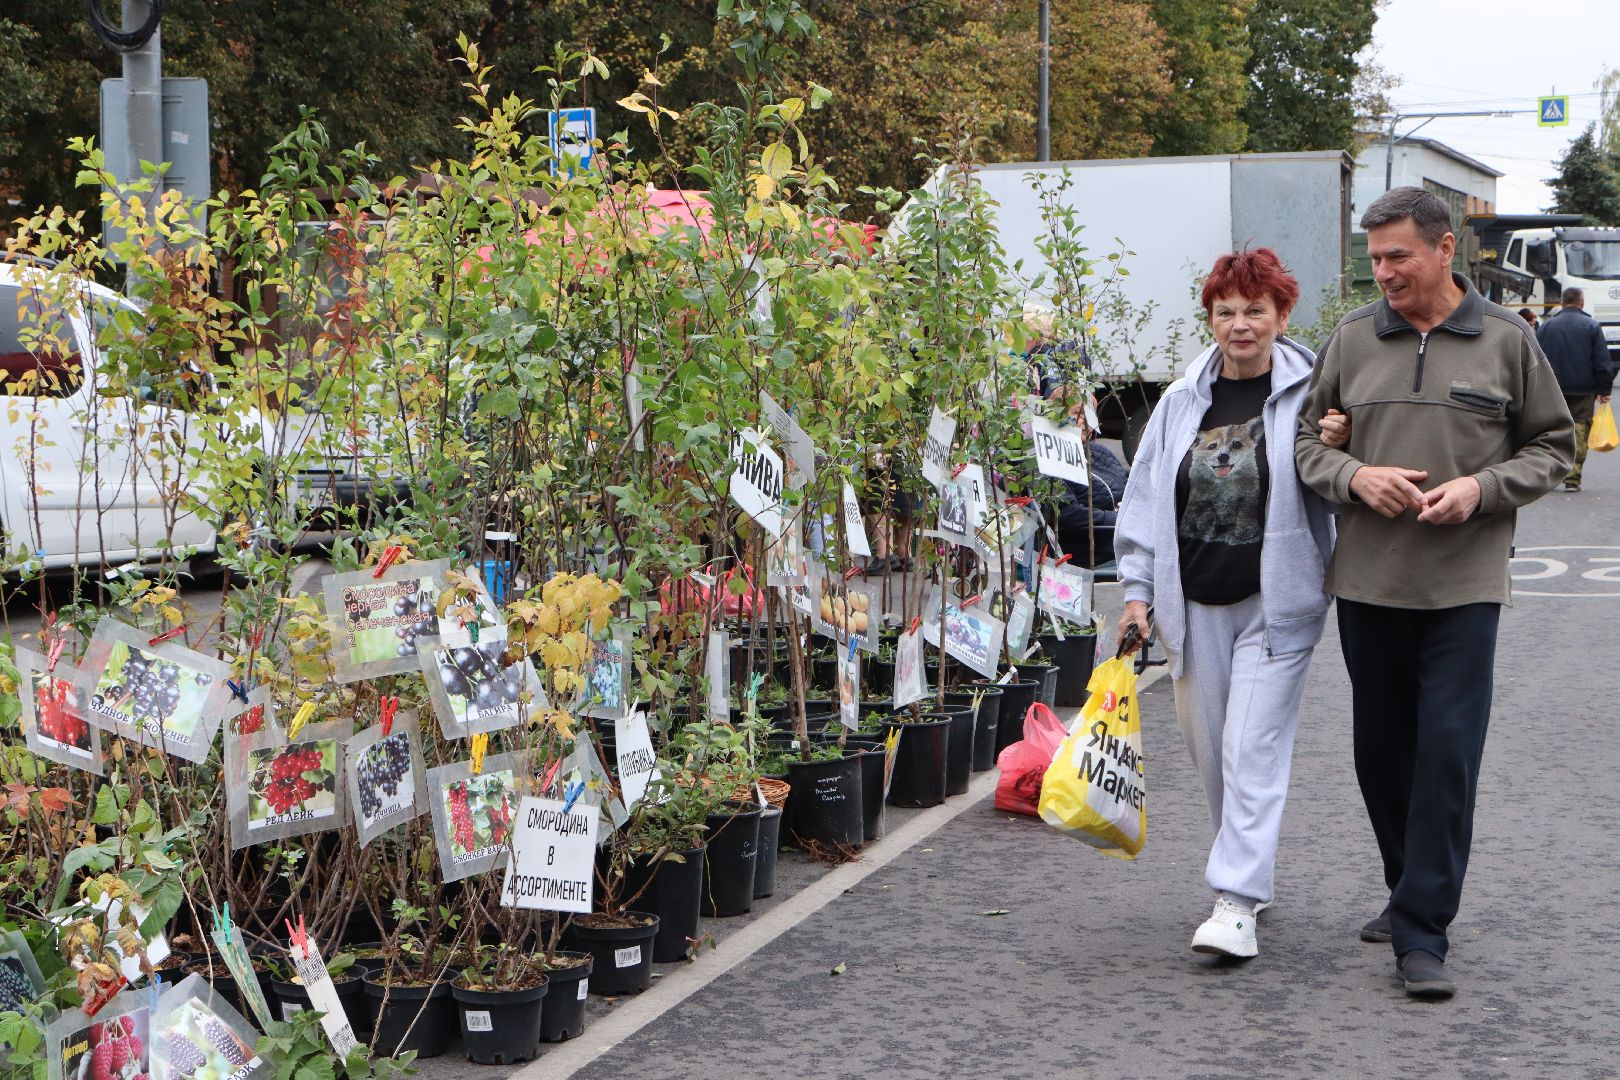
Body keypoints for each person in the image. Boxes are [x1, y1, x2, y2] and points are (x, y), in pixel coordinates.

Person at [1295, 187, 1574, 1000]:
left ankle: (1422, 932)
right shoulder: (1351, 338)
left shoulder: (1506, 338)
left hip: (1465, 586)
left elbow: (1552, 445)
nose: (1383, 272)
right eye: (1375, 258)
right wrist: (1356, 475)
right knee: (1383, 755)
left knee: (1447, 754)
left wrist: (1482, 491)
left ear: (1446, 250)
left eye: (1399, 256)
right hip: (1371, 585)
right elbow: (1310, 442)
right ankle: (1407, 882)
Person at [1114, 248, 1341, 960]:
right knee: (1214, 755)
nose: (1241, 325)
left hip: (1276, 605)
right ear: (1210, 318)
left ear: (1281, 315)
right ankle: (1251, 872)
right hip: (1194, 606)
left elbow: (1339, 483)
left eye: (1256, 311)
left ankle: (1235, 903)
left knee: (1251, 748)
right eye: (1227, 312)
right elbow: (1146, 501)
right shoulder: (1183, 400)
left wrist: (1339, 441)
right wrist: (1136, 595)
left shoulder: (1313, 396)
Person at [1536, 286, 1613, 491]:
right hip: (1583, 390)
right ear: (1581, 302)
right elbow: (1602, 362)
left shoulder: (1547, 326)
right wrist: (1604, 389)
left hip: (1553, 389)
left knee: (1553, 430)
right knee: (1579, 430)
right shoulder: (1591, 326)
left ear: (1562, 302)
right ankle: (1572, 477)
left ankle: (1551, 472)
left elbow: (1536, 359)